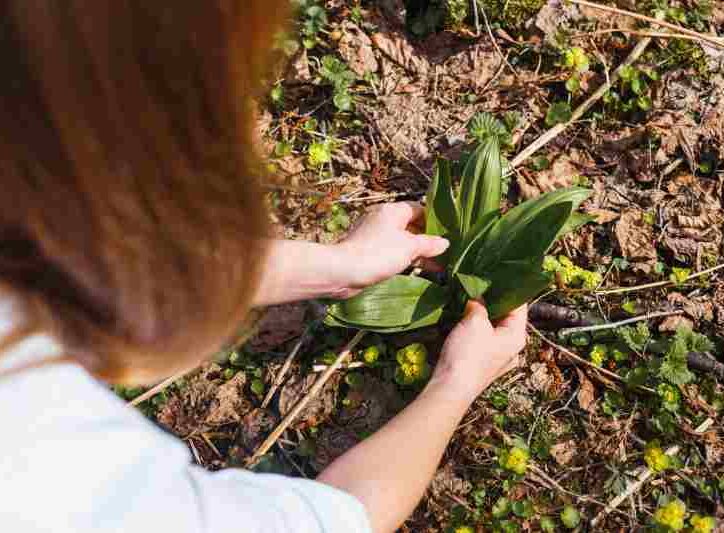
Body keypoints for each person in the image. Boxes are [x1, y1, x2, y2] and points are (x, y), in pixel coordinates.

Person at [0, 2, 527, 532]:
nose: (253, 135)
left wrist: (337, 267)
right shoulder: (60, 479)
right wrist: (458, 382)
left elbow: (70, 268)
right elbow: (342, 518)